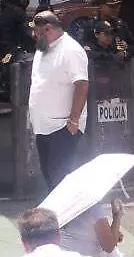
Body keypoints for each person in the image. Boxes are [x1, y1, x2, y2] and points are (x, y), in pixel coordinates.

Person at [30, 11, 90, 189]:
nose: (34, 35)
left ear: (47, 28)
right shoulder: (43, 48)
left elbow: (82, 85)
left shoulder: (70, 49)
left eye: (36, 31)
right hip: (43, 126)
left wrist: (74, 120)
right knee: (50, 176)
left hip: (63, 126)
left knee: (60, 179)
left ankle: (67, 216)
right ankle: (58, 216)